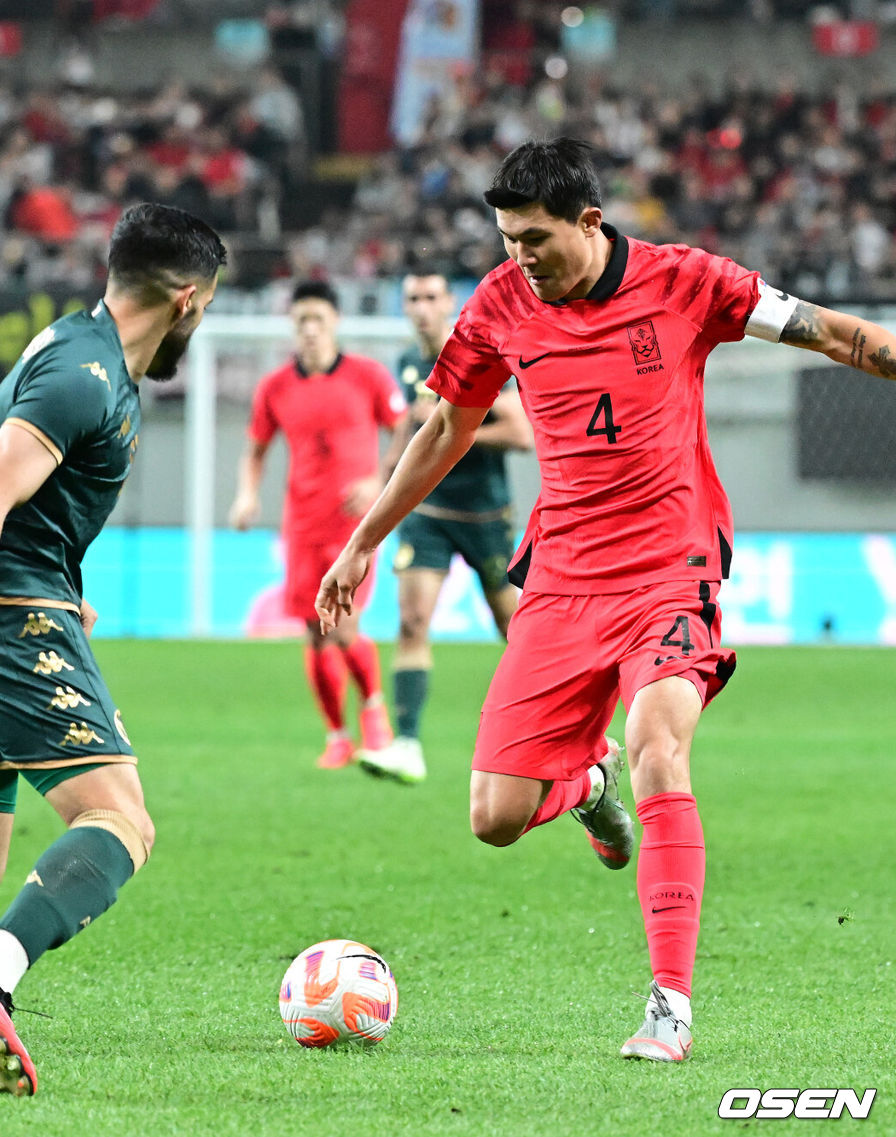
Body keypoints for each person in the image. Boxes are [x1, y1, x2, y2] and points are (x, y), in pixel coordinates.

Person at [316, 137, 896, 1062]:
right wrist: (362, 541)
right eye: (507, 239)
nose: (520, 257)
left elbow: (836, 334)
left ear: (591, 220)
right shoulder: (500, 304)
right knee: (494, 818)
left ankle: (669, 1005)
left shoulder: (689, 283)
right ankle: (586, 785)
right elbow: (448, 427)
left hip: (671, 569)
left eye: (535, 238)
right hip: (563, 578)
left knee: (661, 749)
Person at [0, 202, 227, 1096]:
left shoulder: (76, 348)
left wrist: (58, 593)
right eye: (210, 305)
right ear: (188, 298)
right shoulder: (86, 374)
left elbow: (22, 505)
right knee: (120, 820)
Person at [364, 269, 533, 785]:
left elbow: (520, 433)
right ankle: (408, 744)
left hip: (485, 516)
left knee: (518, 632)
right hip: (428, 515)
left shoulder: (480, 354)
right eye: (411, 297)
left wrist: (451, 426)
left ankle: (549, 733)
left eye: (429, 297)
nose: (420, 306)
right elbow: (408, 428)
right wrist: (385, 477)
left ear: (449, 302)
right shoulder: (408, 363)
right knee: (412, 622)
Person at [229, 280, 407, 770]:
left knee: (345, 626)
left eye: (318, 320)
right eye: (302, 320)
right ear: (293, 325)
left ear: (335, 322)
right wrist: (246, 495)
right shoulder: (276, 387)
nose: (310, 330)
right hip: (303, 524)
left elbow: (407, 430)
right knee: (315, 632)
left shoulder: (368, 376)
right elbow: (256, 449)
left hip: (356, 528)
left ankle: (375, 713)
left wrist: (377, 480)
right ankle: (337, 736)